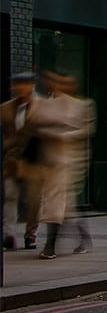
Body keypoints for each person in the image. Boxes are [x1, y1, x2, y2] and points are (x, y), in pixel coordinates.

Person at [29, 70, 95, 258]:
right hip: (49, 161)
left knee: (56, 202)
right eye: (55, 81)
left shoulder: (83, 105)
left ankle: (50, 247)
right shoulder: (46, 103)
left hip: (70, 162)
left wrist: (62, 134)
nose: (58, 85)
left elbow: (87, 129)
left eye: (63, 82)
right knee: (65, 206)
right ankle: (84, 238)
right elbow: (34, 122)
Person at [3, 71, 40, 250]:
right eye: (16, 84)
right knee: (9, 196)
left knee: (33, 201)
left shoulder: (44, 107)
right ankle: (9, 235)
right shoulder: (5, 108)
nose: (19, 87)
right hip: (12, 160)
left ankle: (30, 235)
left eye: (23, 84)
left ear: (32, 85)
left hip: (35, 162)